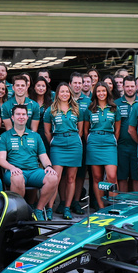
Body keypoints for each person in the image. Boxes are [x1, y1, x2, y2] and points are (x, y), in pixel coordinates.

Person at [0, 103, 59, 219]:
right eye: (18, 114)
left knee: (53, 177)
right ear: (12, 117)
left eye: (24, 114)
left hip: (34, 171)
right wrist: (12, 168)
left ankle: (38, 210)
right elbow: (1, 160)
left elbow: (43, 156)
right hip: (14, 171)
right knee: (17, 177)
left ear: (27, 117)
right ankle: (20, 211)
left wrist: (49, 167)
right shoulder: (5, 136)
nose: (21, 117)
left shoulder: (35, 136)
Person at [43, 83, 86, 219]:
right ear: (57, 93)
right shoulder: (51, 110)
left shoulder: (76, 109)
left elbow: (80, 131)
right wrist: (55, 142)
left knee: (71, 178)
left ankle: (67, 207)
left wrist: (72, 139)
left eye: (67, 92)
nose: (65, 94)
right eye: (62, 92)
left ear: (70, 93)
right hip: (58, 145)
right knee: (55, 178)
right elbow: (47, 131)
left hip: (74, 144)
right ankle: (49, 208)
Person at [85, 82, 119, 209]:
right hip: (94, 143)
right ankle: (101, 208)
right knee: (97, 177)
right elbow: (85, 130)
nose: (101, 93)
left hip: (109, 143)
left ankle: (113, 207)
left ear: (108, 92)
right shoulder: (90, 108)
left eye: (103, 91)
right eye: (98, 91)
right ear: (95, 93)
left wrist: (110, 140)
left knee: (112, 176)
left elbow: (117, 130)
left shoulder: (114, 108)